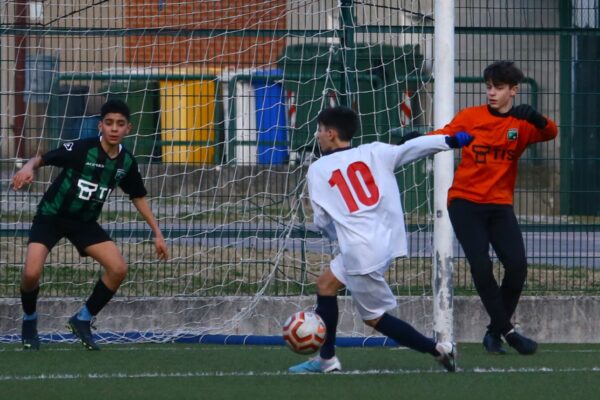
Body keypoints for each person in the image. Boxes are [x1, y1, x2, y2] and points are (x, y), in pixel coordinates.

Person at [288, 106, 473, 373]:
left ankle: (439, 350)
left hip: (359, 252)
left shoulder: (318, 169)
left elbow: (322, 221)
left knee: (375, 319)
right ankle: (326, 359)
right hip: (385, 242)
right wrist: (450, 140)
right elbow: (414, 147)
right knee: (326, 285)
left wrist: (338, 235)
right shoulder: (375, 151)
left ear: (330, 133)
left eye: (319, 130)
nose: (316, 135)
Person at [12, 99, 169, 351]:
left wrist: (158, 233)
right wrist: (28, 168)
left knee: (118, 268)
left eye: (120, 124)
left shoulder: (126, 163)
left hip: (84, 223)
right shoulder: (82, 149)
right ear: (100, 126)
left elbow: (137, 196)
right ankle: (30, 319)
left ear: (128, 128)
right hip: (52, 215)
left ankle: (83, 319)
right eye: (109, 123)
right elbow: (42, 158)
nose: (114, 129)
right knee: (31, 273)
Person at [428, 61, 558, 355]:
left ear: (514, 90)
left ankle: (493, 332)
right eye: (488, 87)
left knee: (517, 267)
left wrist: (537, 118)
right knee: (481, 265)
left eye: (498, 88)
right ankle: (509, 333)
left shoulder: (522, 124)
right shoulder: (471, 117)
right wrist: (415, 143)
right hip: (464, 202)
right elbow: (443, 135)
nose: (491, 93)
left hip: (499, 205)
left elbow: (551, 132)